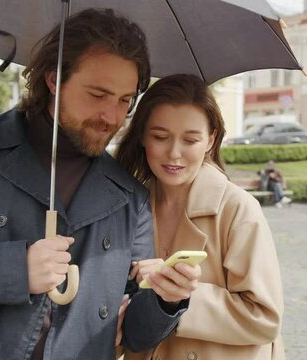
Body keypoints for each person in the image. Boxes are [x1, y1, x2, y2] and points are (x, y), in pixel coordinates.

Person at [0, 9, 200, 360]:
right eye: (98, 94)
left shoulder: (131, 197)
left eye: (124, 101)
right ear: (54, 79)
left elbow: (133, 336)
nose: (111, 117)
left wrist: (166, 299)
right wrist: (13, 270)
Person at [115, 74, 285, 359]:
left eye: (191, 140)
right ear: (142, 136)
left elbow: (265, 317)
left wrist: (177, 297)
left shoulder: (237, 209)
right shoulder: (126, 207)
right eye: (160, 137)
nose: (174, 154)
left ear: (211, 139)